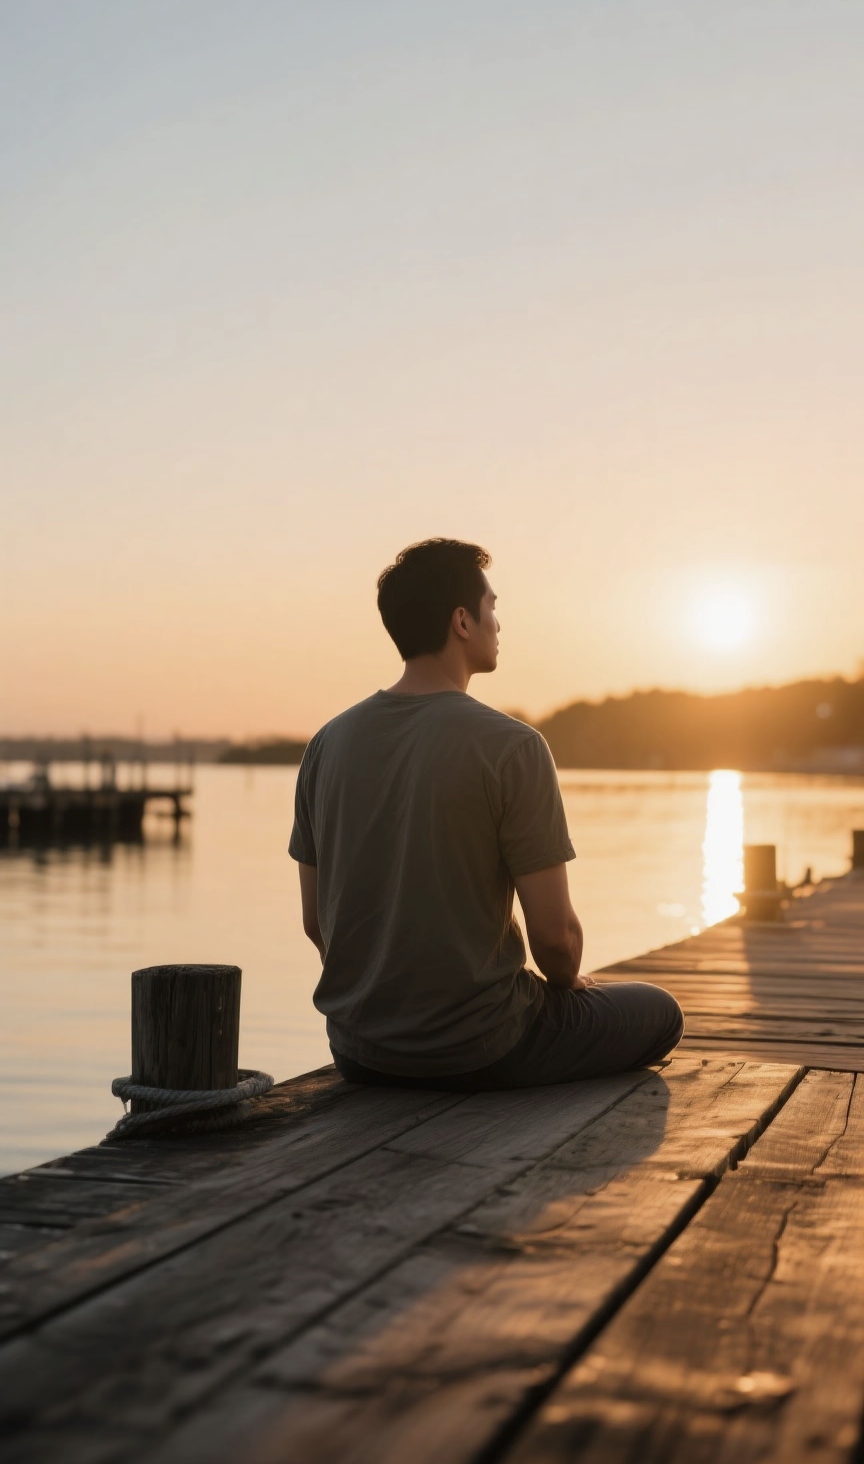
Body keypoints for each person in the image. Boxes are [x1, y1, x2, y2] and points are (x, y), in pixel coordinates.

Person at [289, 538, 683, 1089]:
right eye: (492, 607)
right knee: (661, 1011)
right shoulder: (513, 747)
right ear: (462, 622)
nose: (499, 623)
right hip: (484, 1048)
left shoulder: (325, 745)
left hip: (359, 1051)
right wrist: (570, 982)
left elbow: (317, 924)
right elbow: (554, 940)